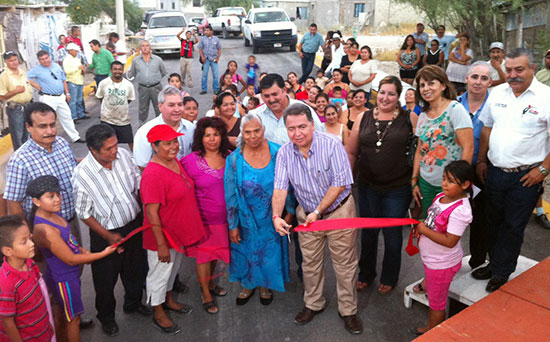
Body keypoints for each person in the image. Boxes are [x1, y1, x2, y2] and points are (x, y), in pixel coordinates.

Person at [272, 103, 362, 335]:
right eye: (292, 129)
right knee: (310, 264)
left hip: (338, 212)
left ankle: (348, 310)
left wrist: (319, 211)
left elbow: (341, 182)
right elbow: (280, 188)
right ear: (286, 130)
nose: (297, 133)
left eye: (302, 126)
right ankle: (313, 304)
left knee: (345, 264)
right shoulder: (284, 153)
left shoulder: (332, 145)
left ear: (313, 125)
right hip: (307, 216)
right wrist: (276, 216)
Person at [474, 48, 550, 292]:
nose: (513, 75)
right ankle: (493, 263)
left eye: (519, 69)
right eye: (509, 70)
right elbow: (486, 128)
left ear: (532, 69)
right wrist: (482, 160)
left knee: (513, 225)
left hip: (526, 176)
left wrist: (543, 171)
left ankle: (502, 271)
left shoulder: (546, 97)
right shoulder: (497, 93)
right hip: (495, 172)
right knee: (491, 221)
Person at [72, 125, 149, 336]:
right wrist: (108, 236)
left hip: (133, 225)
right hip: (105, 234)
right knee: (105, 280)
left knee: (136, 268)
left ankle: (133, 303)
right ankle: (106, 317)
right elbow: (83, 212)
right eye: (108, 149)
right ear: (93, 150)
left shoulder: (123, 155)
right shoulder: (82, 175)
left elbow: (137, 181)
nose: (115, 151)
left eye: (115, 145)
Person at [346, 75, 418, 294]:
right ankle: (366, 273)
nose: (386, 98)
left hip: (397, 188)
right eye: (383, 93)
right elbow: (351, 151)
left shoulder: (410, 118)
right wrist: (348, 183)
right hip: (367, 187)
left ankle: (390, 276)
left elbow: (419, 152)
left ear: (398, 97)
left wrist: (416, 181)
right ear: (377, 93)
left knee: (392, 235)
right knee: (368, 233)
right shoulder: (363, 117)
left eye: (392, 94)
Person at [29, 175, 116, 341]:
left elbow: (71, 244)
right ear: (36, 201)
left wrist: (85, 253)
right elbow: (69, 259)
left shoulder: (54, 214)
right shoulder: (45, 229)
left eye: (58, 194)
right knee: (73, 319)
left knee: (62, 313)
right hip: (64, 279)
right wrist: (102, 254)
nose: (57, 199)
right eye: (50, 196)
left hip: (68, 277)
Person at [141, 124, 204, 334]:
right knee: (159, 274)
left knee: (172, 271)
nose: (174, 146)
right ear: (154, 146)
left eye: (175, 141)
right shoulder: (152, 173)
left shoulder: (173, 161)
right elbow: (151, 212)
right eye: (167, 143)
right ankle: (157, 311)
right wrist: (161, 244)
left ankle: (168, 300)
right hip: (163, 236)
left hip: (178, 233)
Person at [224, 113, 292, 306]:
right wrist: (233, 225)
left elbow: (289, 184)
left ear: (263, 130)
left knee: (269, 254)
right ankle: (248, 284)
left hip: (273, 216)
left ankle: (266, 285)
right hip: (245, 218)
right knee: (247, 252)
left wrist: (289, 212)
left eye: (257, 131)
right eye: (248, 132)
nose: (253, 136)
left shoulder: (277, 152)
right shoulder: (234, 159)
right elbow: (230, 194)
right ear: (242, 134)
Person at [409, 161, 474, 336]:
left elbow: (450, 241)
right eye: (444, 178)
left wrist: (423, 230)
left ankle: (432, 331)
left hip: (442, 264)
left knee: (437, 303)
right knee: (430, 274)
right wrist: (423, 225)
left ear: (465, 185)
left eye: (451, 181)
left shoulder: (460, 211)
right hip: (433, 260)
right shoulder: (440, 197)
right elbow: (432, 219)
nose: (444, 183)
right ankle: (427, 283)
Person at [5, 102, 81, 239]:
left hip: (71, 222)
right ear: (28, 127)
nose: (50, 131)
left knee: (77, 259)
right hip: (44, 231)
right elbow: (14, 202)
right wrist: (28, 236)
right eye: (42, 126)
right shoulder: (20, 160)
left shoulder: (62, 144)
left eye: (52, 125)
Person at [181, 117, 231, 314]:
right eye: (207, 135)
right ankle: (205, 293)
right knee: (203, 257)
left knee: (215, 256)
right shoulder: (190, 161)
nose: (212, 139)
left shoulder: (230, 156)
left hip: (225, 220)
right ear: (200, 138)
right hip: (202, 221)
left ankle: (210, 284)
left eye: (216, 135)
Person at [412, 65, 474, 218]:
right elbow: (420, 151)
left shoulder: (455, 109)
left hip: (449, 184)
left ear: (443, 85)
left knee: (446, 229)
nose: (426, 88)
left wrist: (458, 182)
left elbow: (469, 147)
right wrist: (414, 180)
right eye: (422, 85)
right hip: (426, 182)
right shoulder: (422, 116)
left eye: (431, 83)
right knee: (428, 224)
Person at [456, 61, 492, 269]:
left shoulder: (495, 105)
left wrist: (482, 160)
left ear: (490, 82)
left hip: (483, 168)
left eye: (484, 78)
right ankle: (449, 260)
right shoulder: (454, 104)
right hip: (457, 169)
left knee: (481, 217)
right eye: (475, 77)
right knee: (453, 215)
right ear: (467, 78)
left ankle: (477, 259)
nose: (478, 82)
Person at [0, 215, 54, 342]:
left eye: (30, 238)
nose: (31, 244)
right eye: (24, 242)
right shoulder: (6, 284)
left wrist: (47, 326)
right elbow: (8, 322)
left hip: (43, 333)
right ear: (8, 250)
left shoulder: (30, 263)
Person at [248, 73, 324, 146]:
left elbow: (321, 139)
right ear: (261, 96)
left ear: (284, 90)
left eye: (275, 94)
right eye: (267, 96)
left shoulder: (304, 110)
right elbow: (243, 142)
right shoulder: (255, 116)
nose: (271, 100)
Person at [27, 50, 83, 143]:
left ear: (49, 57)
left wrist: (67, 93)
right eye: (42, 59)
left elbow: (63, 80)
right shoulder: (36, 70)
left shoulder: (56, 66)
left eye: (46, 58)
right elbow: (25, 77)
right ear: (39, 61)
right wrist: (36, 85)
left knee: (67, 116)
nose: (45, 61)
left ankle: (75, 137)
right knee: (46, 119)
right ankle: (48, 139)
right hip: (48, 97)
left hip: (60, 96)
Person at [133, 85, 195, 168]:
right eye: (171, 105)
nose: (177, 109)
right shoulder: (144, 132)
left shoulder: (191, 128)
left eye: (180, 104)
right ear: (160, 106)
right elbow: (142, 166)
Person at [96, 61, 136, 150]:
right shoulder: (104, 83)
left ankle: (136, 160)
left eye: (120, 69)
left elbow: (129, 100)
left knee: (130, 141)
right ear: (111, 70)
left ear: (122, 71)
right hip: (107, 119)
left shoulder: (128, 85)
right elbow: (100, 97)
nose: (117, 71)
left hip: (123, 119)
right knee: (107, 143)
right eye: (115, 69)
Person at [127, 40, 167, 125]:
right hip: (143, 88)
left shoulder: (157, 59)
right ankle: (141, 127)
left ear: (150, 48)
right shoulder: (135, 60)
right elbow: (133, 73)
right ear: (140, 48)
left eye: (147, 46)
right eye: (143, 46)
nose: (145, 48)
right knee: (143, 109)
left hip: (156, 87)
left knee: (158, 107)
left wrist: (154, 79)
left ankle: (161, 126)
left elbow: (163, 72)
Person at [0, 51, 33, 150]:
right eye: (11, 61)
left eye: (15, 59)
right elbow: (1, 96)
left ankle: (29, 155)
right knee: (18, 135)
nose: (14, 62)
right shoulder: (4, 76)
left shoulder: (22, 71)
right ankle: (20, 157)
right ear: (6, 62)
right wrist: (15, 91)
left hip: (27, 106)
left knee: (28, 132)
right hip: (15, 109)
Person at [63, 43, 87, 122]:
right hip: (72, 81)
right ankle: (73, 116)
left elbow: (80, 68)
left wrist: (83, 70)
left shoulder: (77, 59)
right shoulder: (67, 60)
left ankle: (80, 114)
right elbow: (67, 71)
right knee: (73, 101)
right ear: (71, 51)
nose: (76, 52)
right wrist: (77, 68)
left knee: (79, 99)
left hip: (79, 80)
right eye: (75, 51)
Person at [198, 25, 222, 95]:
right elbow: (200, 48)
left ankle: (216, 89)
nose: (206, 32)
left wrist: (218, 58)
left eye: (208, 30)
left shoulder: (216, 39)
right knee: (204, 74)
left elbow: (219, 49)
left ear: (211, 31)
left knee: (215, 75)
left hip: (214, 59)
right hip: (206, 59)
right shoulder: (203, 39)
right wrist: (202, 57)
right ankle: (204, 89)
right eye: (205, 30)